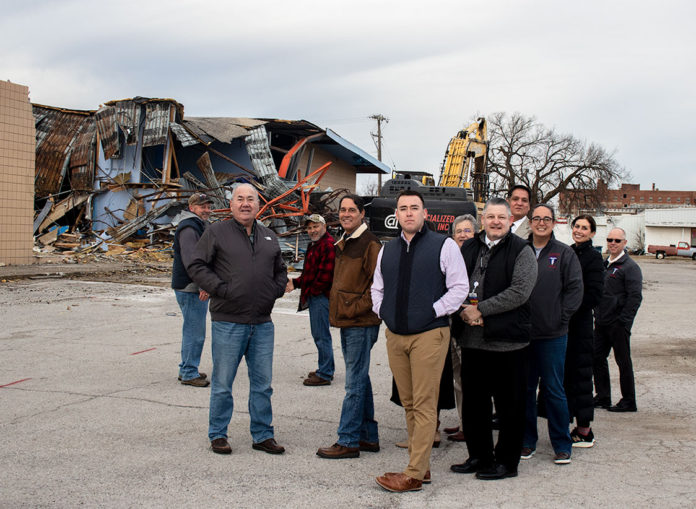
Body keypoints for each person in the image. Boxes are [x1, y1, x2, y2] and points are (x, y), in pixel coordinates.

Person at [372, 191, 469, 493]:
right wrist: (383, 311)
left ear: (425, 213)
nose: (409, 213)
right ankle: (422, 465)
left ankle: (413, 473)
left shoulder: (444, 245)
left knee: (425, 404)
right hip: (396, 335)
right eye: (403, 208)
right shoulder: (387, 249)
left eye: (415, 208)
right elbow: (377, 288)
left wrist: (432, 311)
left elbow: (459, 288)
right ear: (397, 214)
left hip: (429, 334)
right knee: (409, 402)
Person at [187, 183, 288, 456]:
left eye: (251, 199)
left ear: (258, 205)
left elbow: (281, 270)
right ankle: (218, 434)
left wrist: (274, 292)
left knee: (263, 385)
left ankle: (263, 435)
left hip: (262, 324)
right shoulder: (215, 232)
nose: (245, 204)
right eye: (240, 199)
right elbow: (196, 264)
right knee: (222, 383)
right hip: (228, 321)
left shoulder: (268, 236)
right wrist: (222, 289)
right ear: (231, 205)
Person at [450, 197, 538, 481]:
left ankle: (507, 462)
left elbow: (520, 291)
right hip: (473, 341)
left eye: (502, 217)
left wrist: (481, 309)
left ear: (511, 220)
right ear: (483, 219)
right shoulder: (470, 247)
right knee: (475, 405)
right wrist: (463, 310)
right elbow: (456, 281)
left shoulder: (521, 250)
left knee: (510, 406)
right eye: (491, 217)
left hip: (508, 343)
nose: (496, 222)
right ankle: (479, 456)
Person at [316, 194, 382, 459]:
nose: (346, 214)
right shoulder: (345, 241)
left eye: (351, 210)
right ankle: (368, 437)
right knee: (360, 377)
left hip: (361, 322)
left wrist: (353, 308)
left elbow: (379, 287)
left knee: (353, 382)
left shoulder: (370, 244)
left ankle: (348, 440)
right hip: (349, 321)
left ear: (361, 214)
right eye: (342, 210)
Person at [521, 204, 583, 465]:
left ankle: (561, 444)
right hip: (522, 335)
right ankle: (526, 441)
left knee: (554, 390)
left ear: (554, 223)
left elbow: (575, 289)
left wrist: (561, 317)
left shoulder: (564, 253)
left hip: (553, 335)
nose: (541, 223)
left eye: (547, 219)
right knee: (524, 390)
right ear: (530, 222)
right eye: (537, 218)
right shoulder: (519, 249)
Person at [563, 215, 605, 447]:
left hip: (580, 326)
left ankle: (585, 429)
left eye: (584, 228)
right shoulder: (569, 251)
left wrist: (570, 306)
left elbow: (595, 295)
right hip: (565, 325)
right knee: (567, 376)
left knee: (581, 377)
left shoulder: (594, 258)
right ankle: (570, 423)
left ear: (592, 233)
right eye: (577, 226)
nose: (579, 230)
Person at [593, 227, 643, 413]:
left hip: (618, 324)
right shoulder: (605, 265)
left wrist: (624, 321)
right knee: (596, 358)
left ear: (624, 243)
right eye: (610, 240)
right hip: (601, 322)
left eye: (617, 240)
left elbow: (635, 297)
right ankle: (603, 396)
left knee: (623, 361)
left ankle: (629, 401)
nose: (612, 243)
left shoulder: (629, 267)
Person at [286, 214, 336, 386]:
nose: (312, 230)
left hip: (321, 297)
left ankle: (325, 373)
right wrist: (296, 282)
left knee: (321, 336)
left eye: (315, 226)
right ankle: (326, 367)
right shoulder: (314, 245)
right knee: (320, 335)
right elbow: (309, 274)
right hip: (315, 295)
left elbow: (325, 278)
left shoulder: (328, 246)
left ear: (324, 226)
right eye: (309, 228)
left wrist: (310, 290)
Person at [172, 193, 212, 387]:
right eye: (202, 206)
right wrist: (204, 284)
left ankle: (186, 368)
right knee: (195, 332)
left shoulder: (197, 225)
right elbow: (191, 261)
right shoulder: (189, 228)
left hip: (190, 286)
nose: (206, 209)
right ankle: (189, 373)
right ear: (191, 207)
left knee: (192, 329)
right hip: (190, 288)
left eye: (208, 206)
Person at [445, 214, 478, 443]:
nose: (463, 235)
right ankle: (464, 421)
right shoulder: (448, 257)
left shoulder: (479, 258)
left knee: (470, 378)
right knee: (457, 377)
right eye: (459, 231)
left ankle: (472, 425)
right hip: (451, 325)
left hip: (471, 327)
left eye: (468, 231)